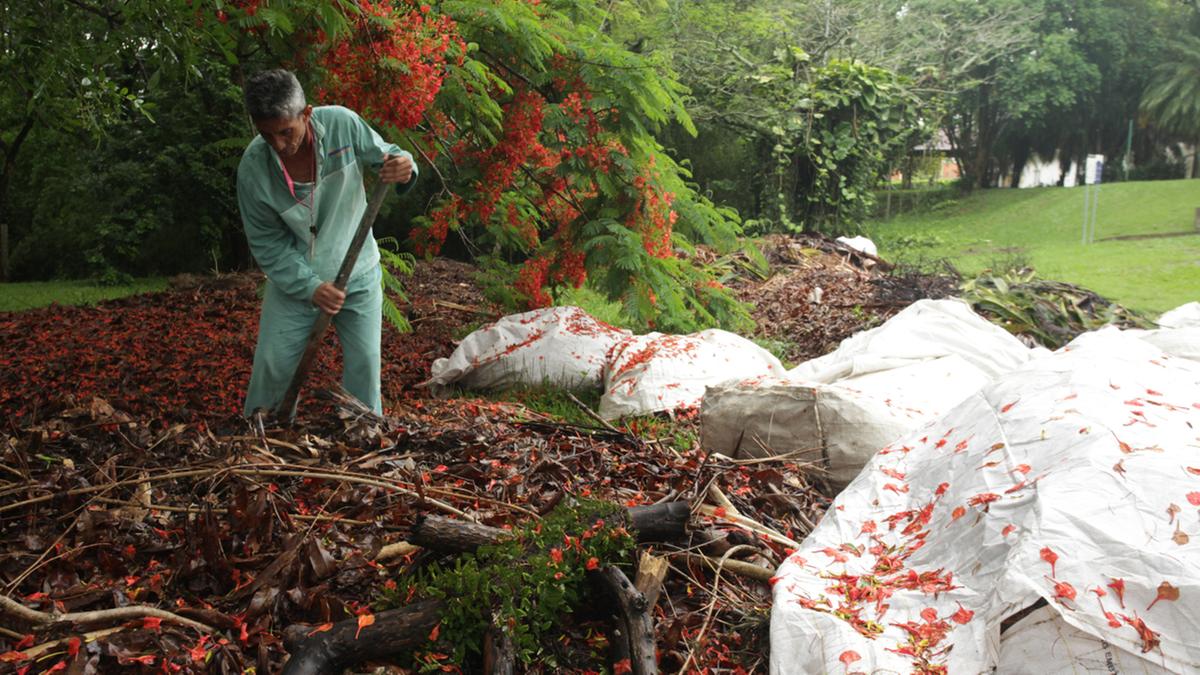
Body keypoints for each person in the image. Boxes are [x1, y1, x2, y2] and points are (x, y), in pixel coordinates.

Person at [237, 69, 417, 416]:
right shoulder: (253, 168)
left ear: (307, 114)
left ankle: (363, 434)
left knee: (365, 364)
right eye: (266, 135)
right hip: (296, 284)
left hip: (358, 274)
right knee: (272, 365)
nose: (278, 144)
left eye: (286, 131)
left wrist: (403, 166)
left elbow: (391, 155)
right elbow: (268, 245)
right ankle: (263, 436)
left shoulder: (341, 126)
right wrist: (310, 286)